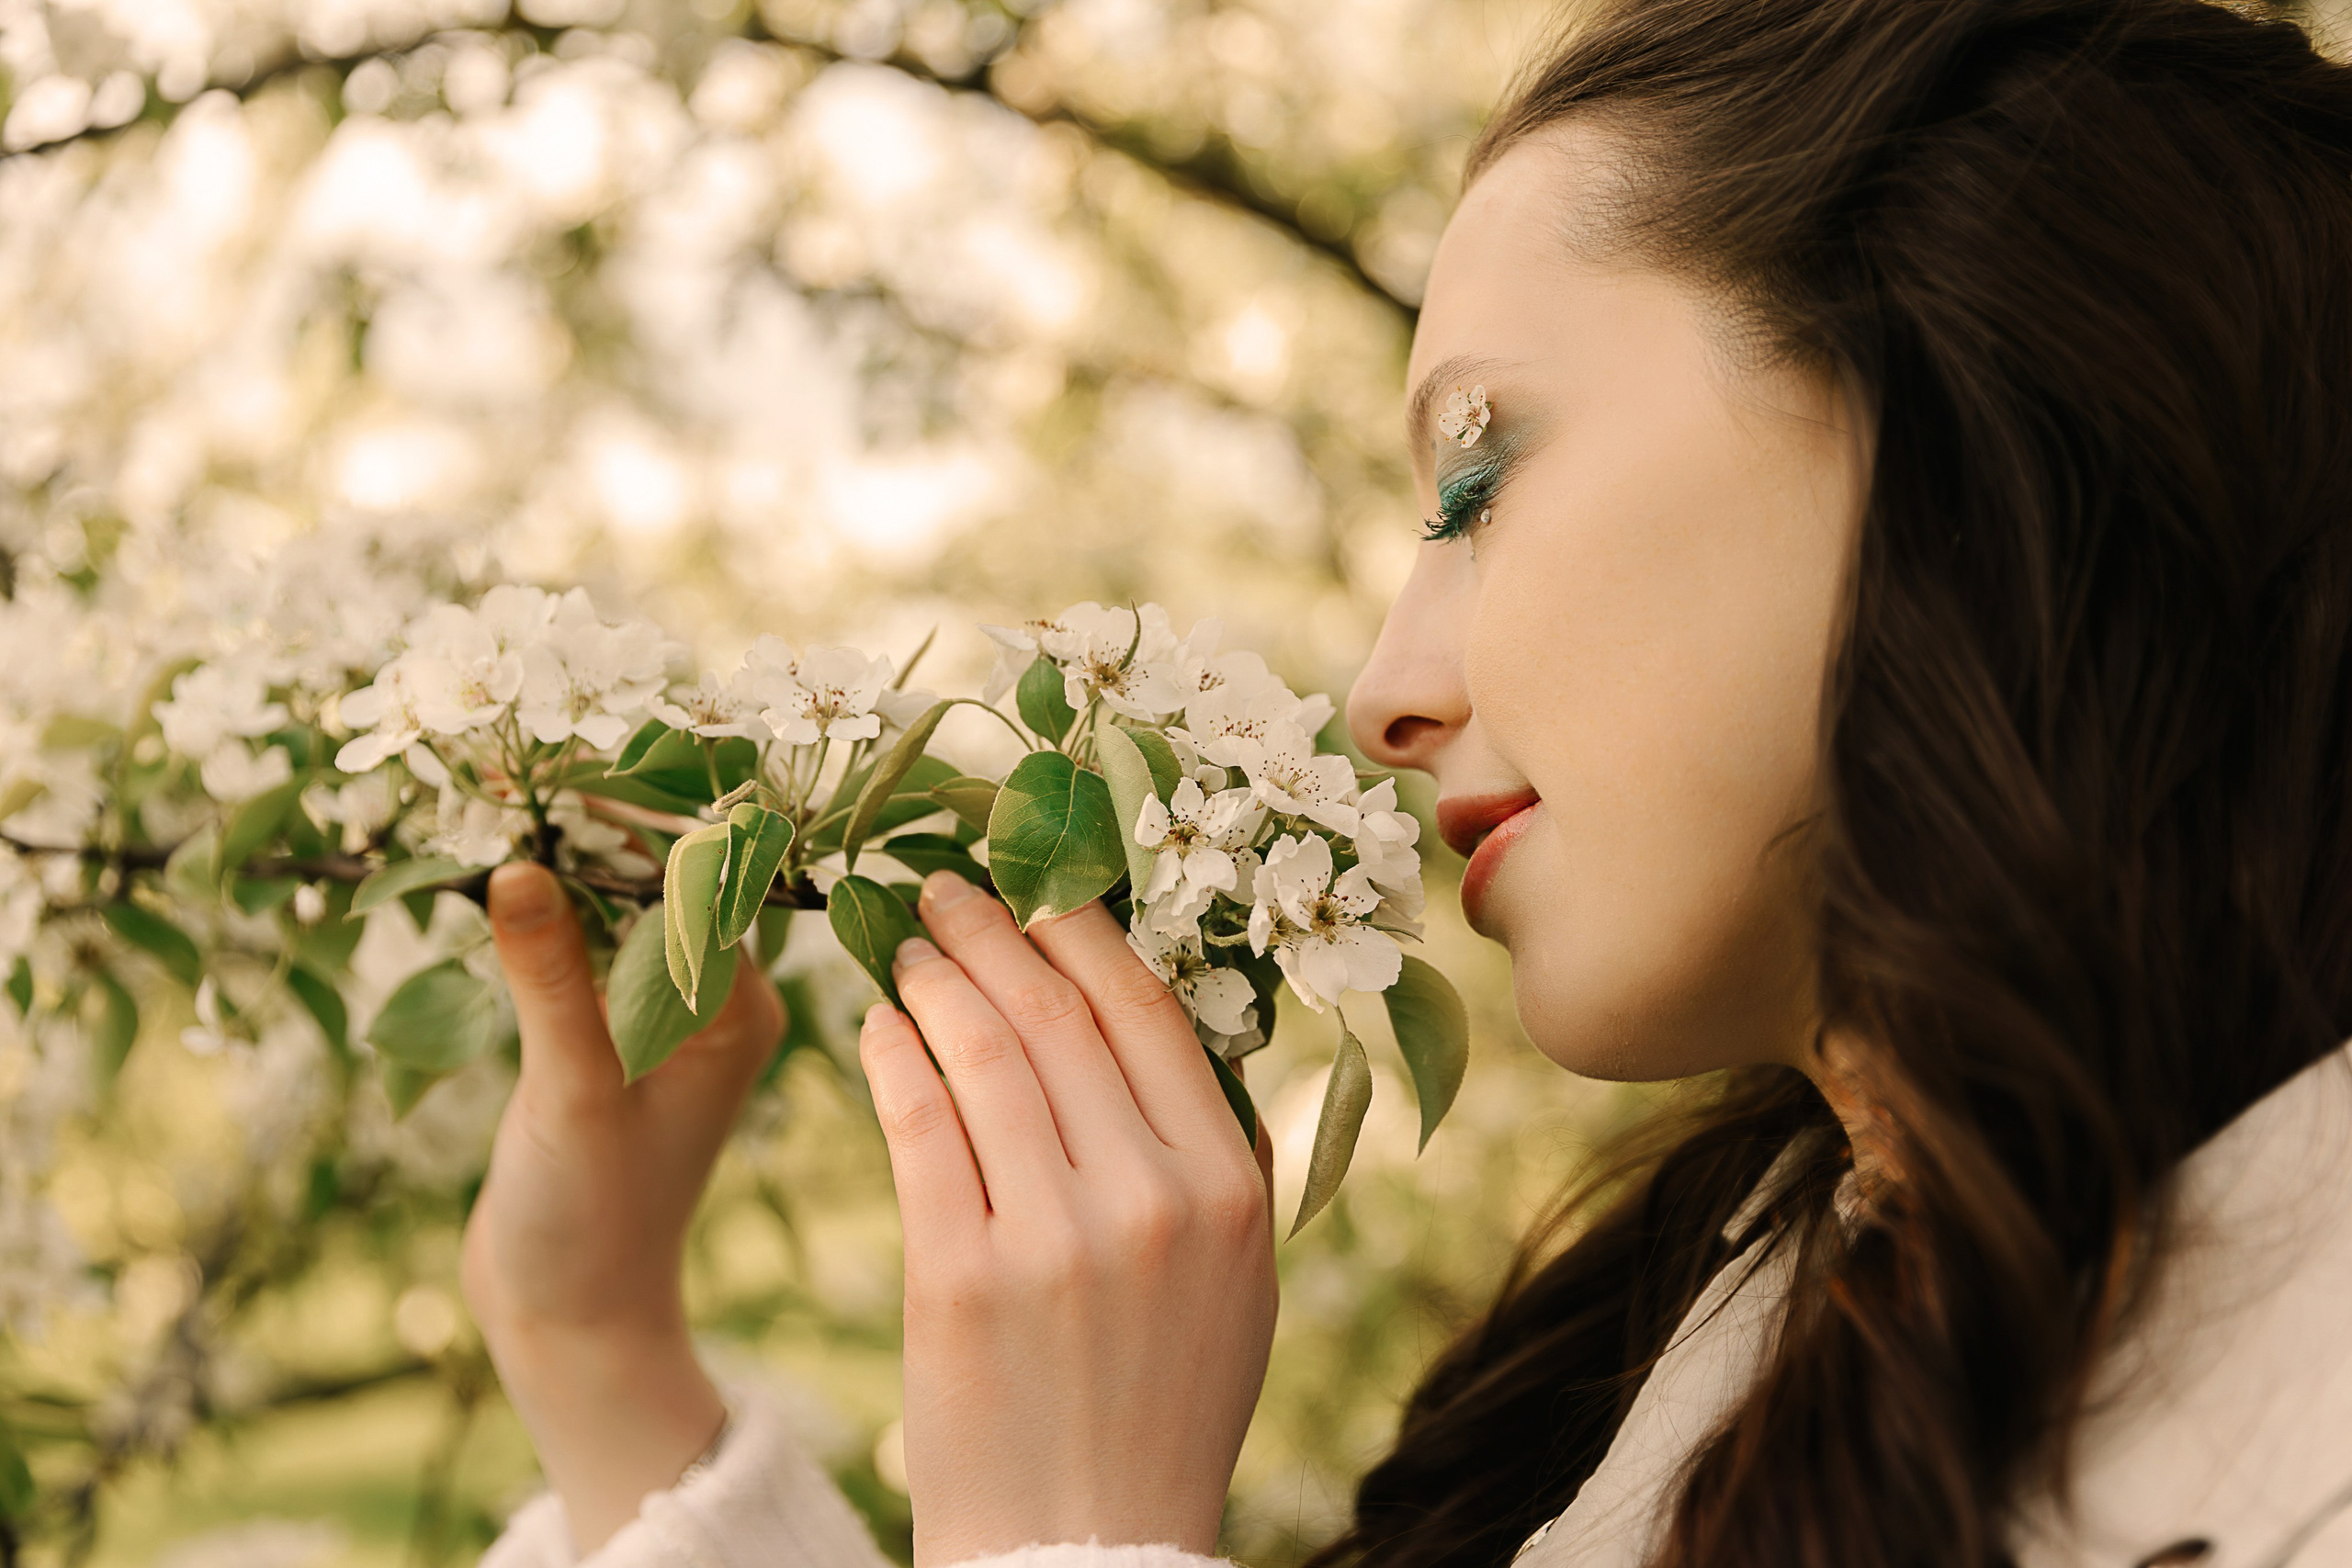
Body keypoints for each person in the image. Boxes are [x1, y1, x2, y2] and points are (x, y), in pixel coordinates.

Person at [467, 0, 2352, 1563]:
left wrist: (1074, 1541)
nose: (1380, 693)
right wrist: (596, 1330)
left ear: (1944, 396)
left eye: (1471, 478)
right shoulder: (1679, 1327)